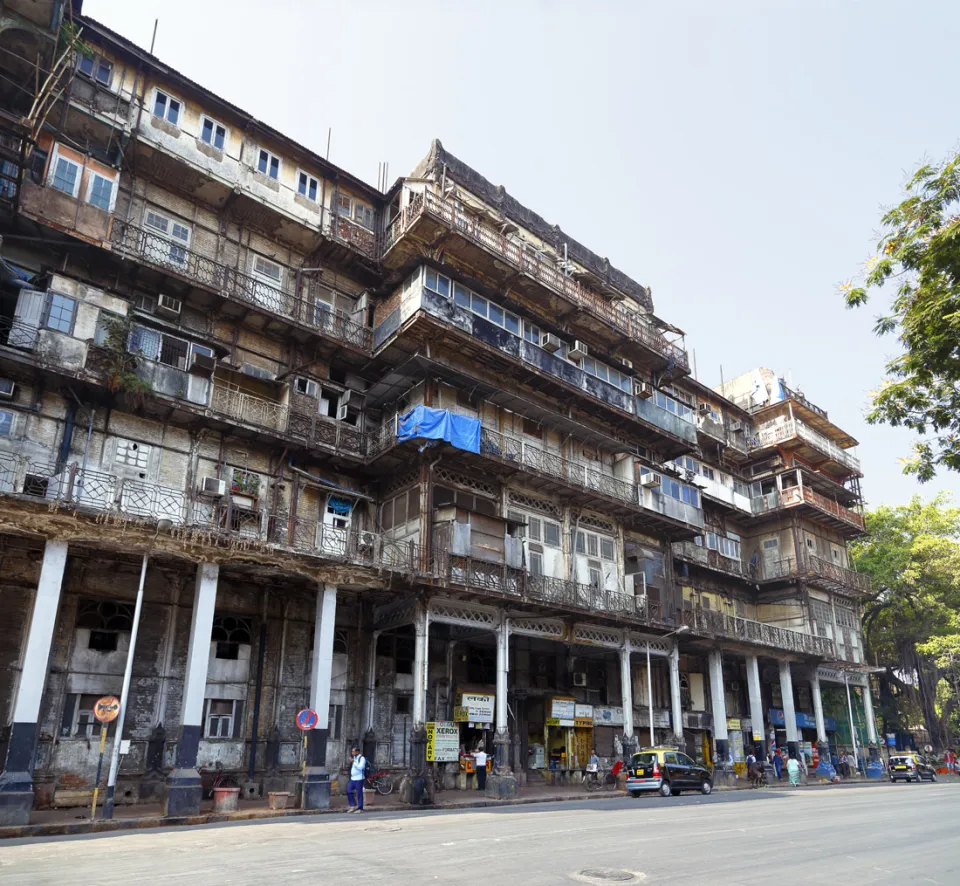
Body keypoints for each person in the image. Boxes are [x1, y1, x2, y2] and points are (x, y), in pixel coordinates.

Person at [347, 747, 365, 813]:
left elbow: (361, 767)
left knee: (359, 793)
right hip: (353, 779)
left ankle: (360, 809)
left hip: (359, 779)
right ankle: (353, 805)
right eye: (352, 751)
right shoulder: (354, 758)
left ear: (357, 752)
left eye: (353, 751)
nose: (352, 753)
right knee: (348, 790)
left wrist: (353, 762)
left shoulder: (362, 758)